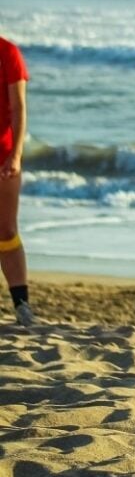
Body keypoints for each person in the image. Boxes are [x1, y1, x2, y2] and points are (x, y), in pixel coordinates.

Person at [0, 34, 34, 327]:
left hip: (3, 154)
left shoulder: (7, 52)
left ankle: (22, 304)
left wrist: (16, 154)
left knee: (6, 229)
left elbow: (19, 107)